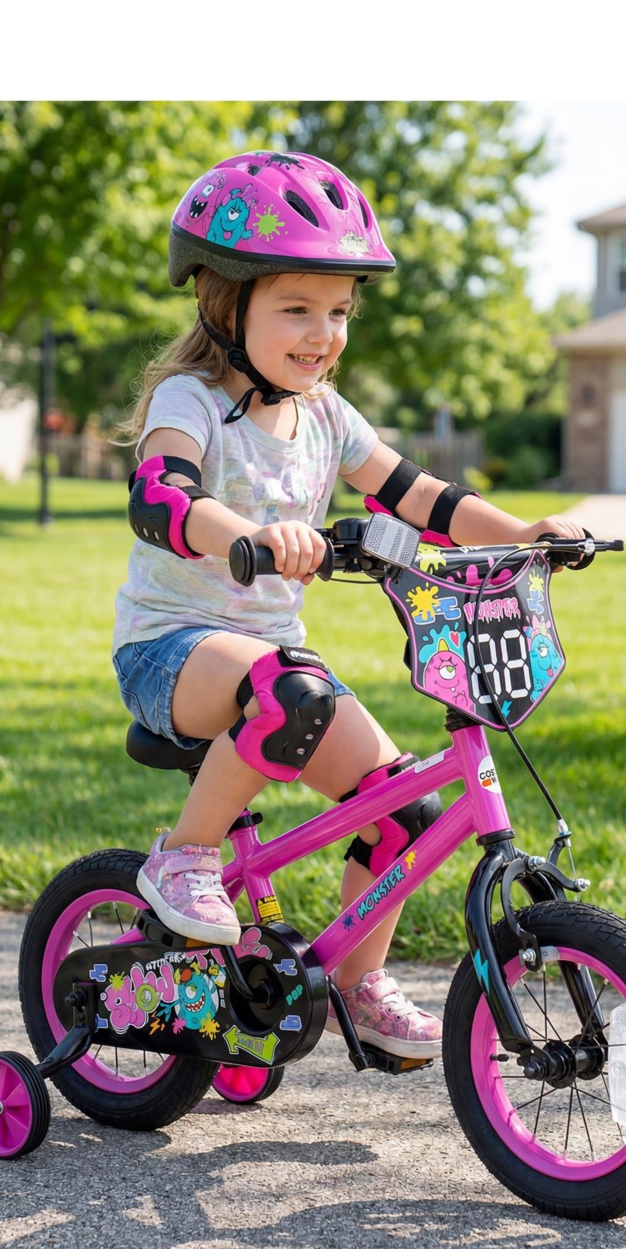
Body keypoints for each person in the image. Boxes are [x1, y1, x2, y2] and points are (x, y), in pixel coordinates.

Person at [112, 151, 584, 1059]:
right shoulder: (192, 400)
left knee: (401, 807)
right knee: (291, 688)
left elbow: (423, 500)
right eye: (296, 308)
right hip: (172, 652)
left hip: (276, 666)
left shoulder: (329, 415)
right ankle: (183, 858)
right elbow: (159, 495)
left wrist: (525, 532)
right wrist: (245, 535)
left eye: (338, 311)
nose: (322, 332)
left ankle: (359, 982)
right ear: (225, 300)